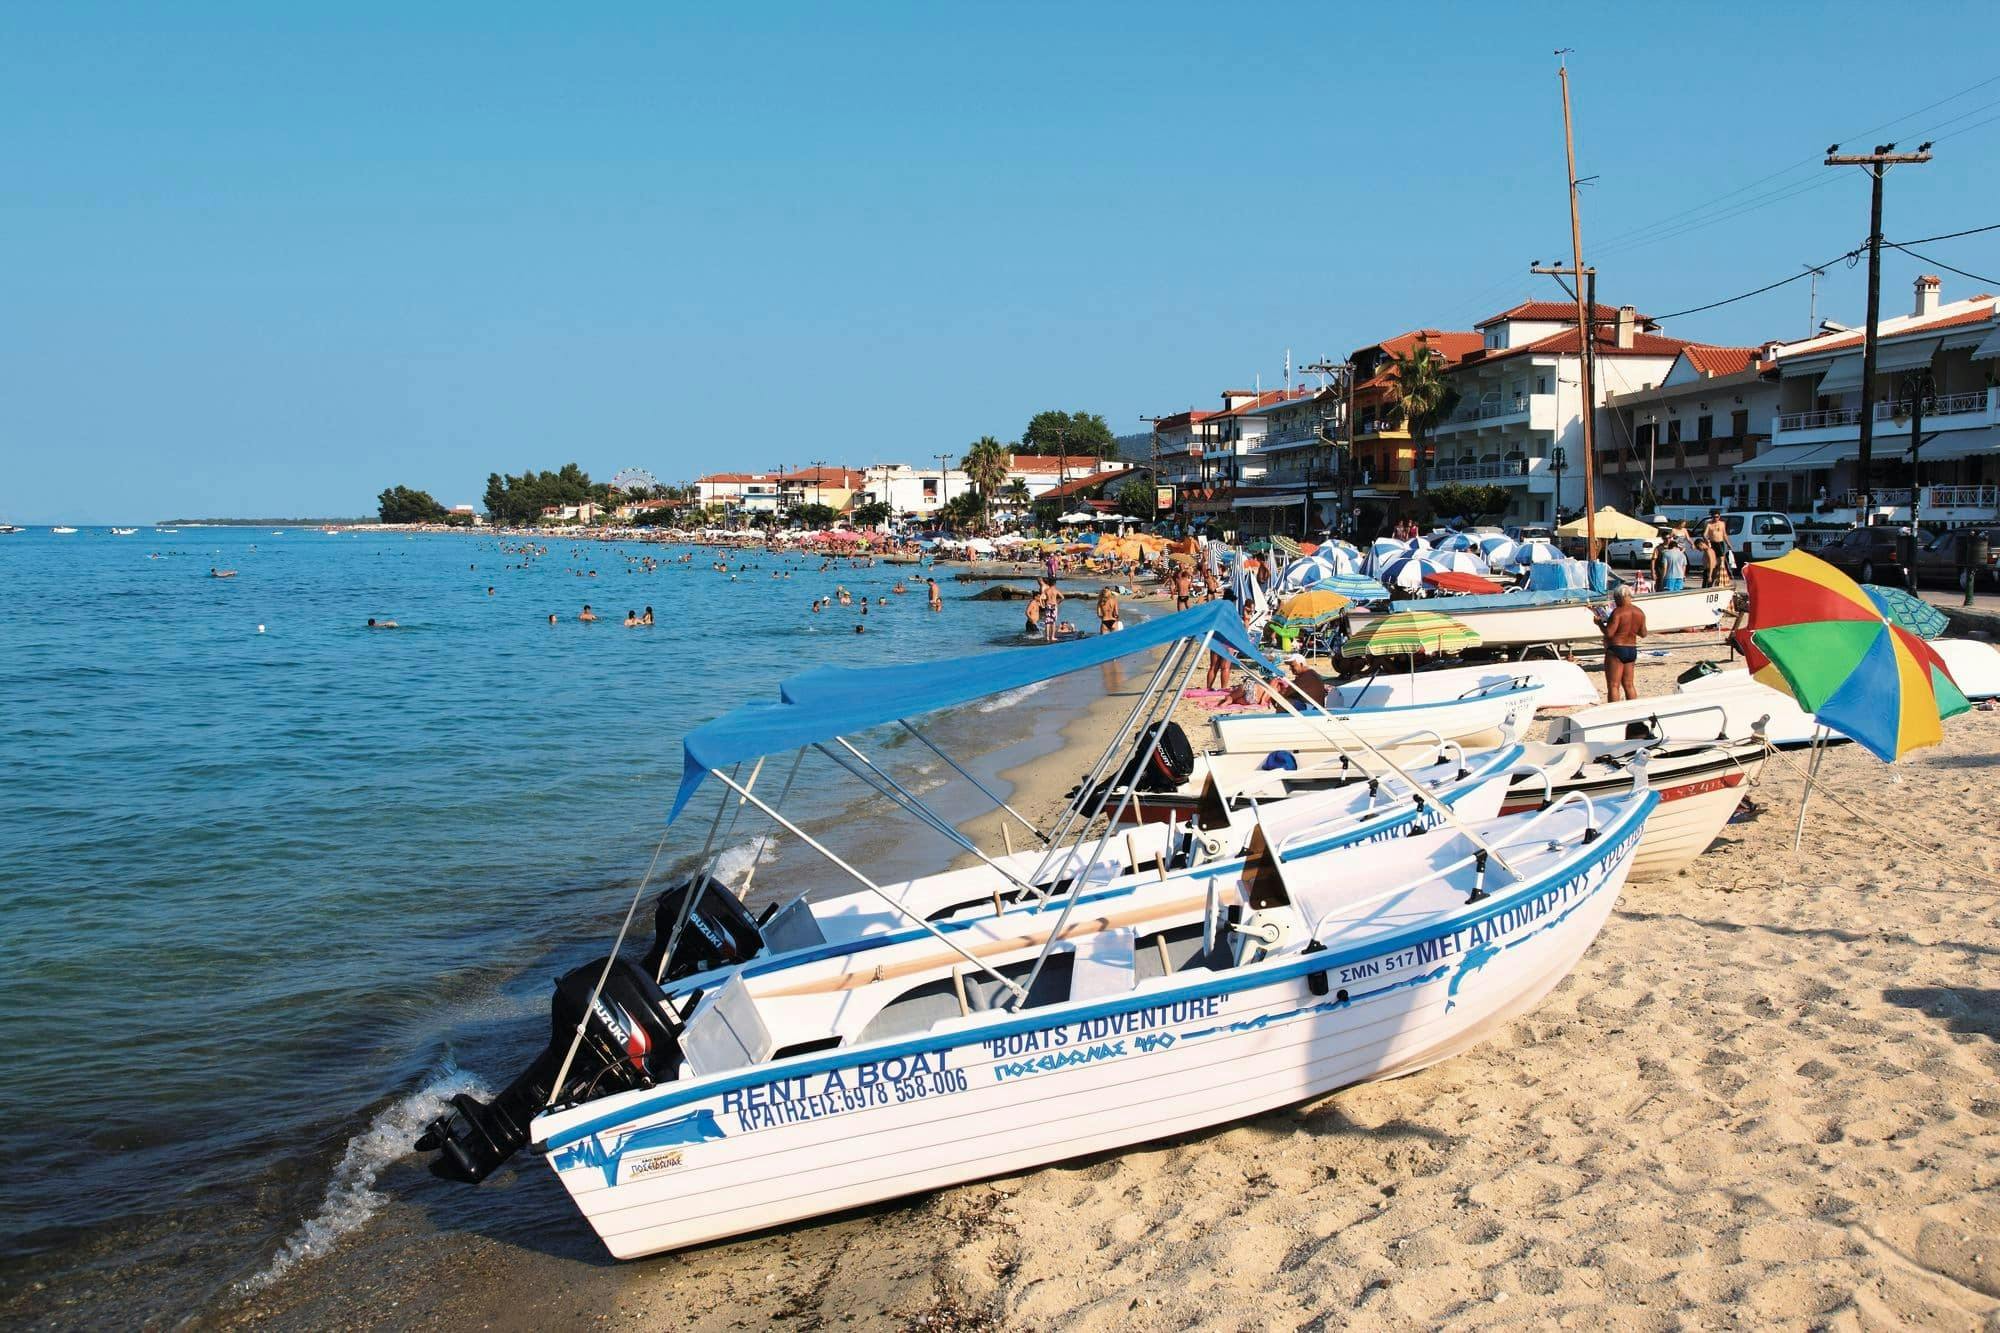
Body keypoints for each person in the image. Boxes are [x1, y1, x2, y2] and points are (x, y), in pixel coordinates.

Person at [1598, 586, 1646, 702]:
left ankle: (1614, 714)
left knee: (1614, 686)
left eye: (1615, 598)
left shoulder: (1618, 612)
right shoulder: (1639, 612)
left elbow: (1609, 633)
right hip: (1631, 648)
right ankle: (1633, 714)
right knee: (1629, 684)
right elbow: (1643, 633)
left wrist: (1599, 623)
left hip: (1616, 648)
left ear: (1619, 597)